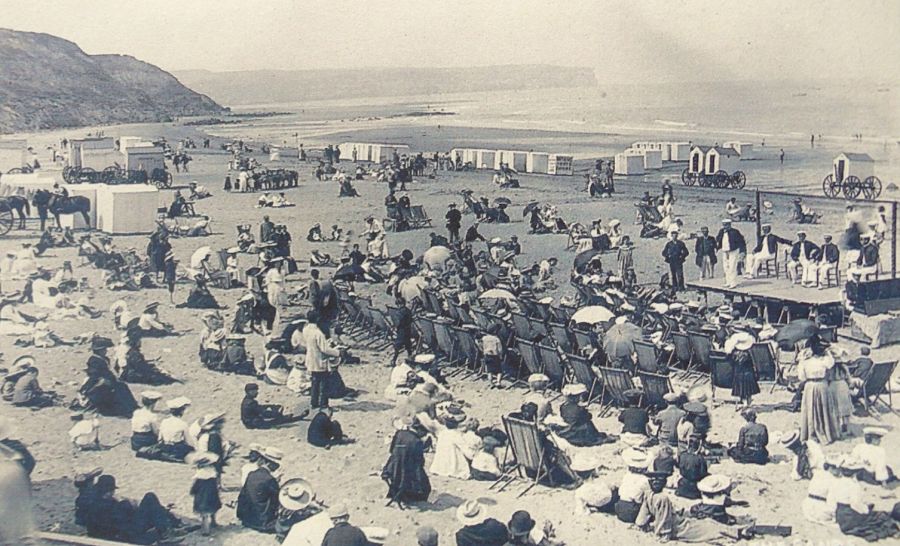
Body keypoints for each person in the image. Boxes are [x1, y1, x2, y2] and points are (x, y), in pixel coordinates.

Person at [381, 415, 431, 508]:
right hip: (407, 475)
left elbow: (391, 451)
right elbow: (420, 462)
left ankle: (397, 494)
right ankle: (411, 497)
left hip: (391, 469)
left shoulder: (399, 433)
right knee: (426, 487)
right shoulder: (417, 441)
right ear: (420, 430)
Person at [797, 336, 840, 444]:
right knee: (825, 409)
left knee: (810, 409)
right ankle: (827, 431)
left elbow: (801, 377)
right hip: (822, 384)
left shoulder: (805, 361)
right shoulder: (824, 360)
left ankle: (811, 433)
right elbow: (831, 364)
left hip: (810, 385)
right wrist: (828, 352)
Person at [237, 447, 283, 532]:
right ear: (269, 464)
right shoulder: (269, 479)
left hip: (247, 519)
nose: (277, 468)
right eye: (276, 465)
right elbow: (279, 499)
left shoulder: (251, 474)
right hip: (262, 523)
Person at [303, 309, 342, 409]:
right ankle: (323, 403)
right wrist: (337, 352)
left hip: (310, 358)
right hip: (319, 360)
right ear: (317, 319)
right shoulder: (318, 333)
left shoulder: (306, 329)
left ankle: (313, 402)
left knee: (315, 382)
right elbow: (324, 349)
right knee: (323, 383)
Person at [241, 382, 305, 429]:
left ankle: (287, 417)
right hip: (252, 423)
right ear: (250, 392)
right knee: (276, 421)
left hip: (249, 421)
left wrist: (270, 406)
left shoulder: (247, 400)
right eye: (255, 391)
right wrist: (276, 413)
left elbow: (259, 408)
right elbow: (263, 412)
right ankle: (295, 418)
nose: (257, 392)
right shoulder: (251, 403)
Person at [189, 452, 222, 536]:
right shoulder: (213, 474)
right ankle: (214, 522)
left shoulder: (199, 476)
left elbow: (195, 487)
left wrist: (192, 491)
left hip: (201, 497)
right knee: (213, 510)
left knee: (204, 514)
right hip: (212, 495)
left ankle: (206, 530)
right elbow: (216, 484)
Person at [615, 449, 651, 523]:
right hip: (632, 509)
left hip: (619, 506)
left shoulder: (627, 476)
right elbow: (640, 499)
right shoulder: (644, 480)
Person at [676, 435, 709, 499]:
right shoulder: (700, 458)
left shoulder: (682, 455)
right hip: (694, 486)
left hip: (683, 484)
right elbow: (703, 473)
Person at [716, 219, 745, 289]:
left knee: (732, 266)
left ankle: (733, 283)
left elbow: (741, 242)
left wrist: (742, 251)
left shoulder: (735, 232)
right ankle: (728, 281)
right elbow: (718, 240)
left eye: (727, 225)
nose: (725, 226)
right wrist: (717, 248)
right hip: (725, 251)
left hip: (733, 250)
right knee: (726, 267)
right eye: (724, 225)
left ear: (730, 225)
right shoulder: (721, 231)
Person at [662, 227, 689, 291]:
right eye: (673, 235)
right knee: (673, 274)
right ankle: (675, 287)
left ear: (677, 236)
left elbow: (686, 252)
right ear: (671, 236)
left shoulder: (681, 243)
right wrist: (668, 256)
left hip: (679, 261)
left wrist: (682, 257)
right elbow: (664, 252)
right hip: (672, 261)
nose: (674, 237)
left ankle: (681, 287)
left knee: (680, 274)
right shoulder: (669, 244)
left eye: (676, 235)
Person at [390, 297, 415, 366]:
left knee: (397, 346)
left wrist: (395, 328)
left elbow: (398, 322)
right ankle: (411, 359)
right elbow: (411, 320)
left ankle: (394, 359)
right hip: (408, 330)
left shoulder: (400, 312)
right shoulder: (408, 310)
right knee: (408, 346)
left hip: (401, 331)